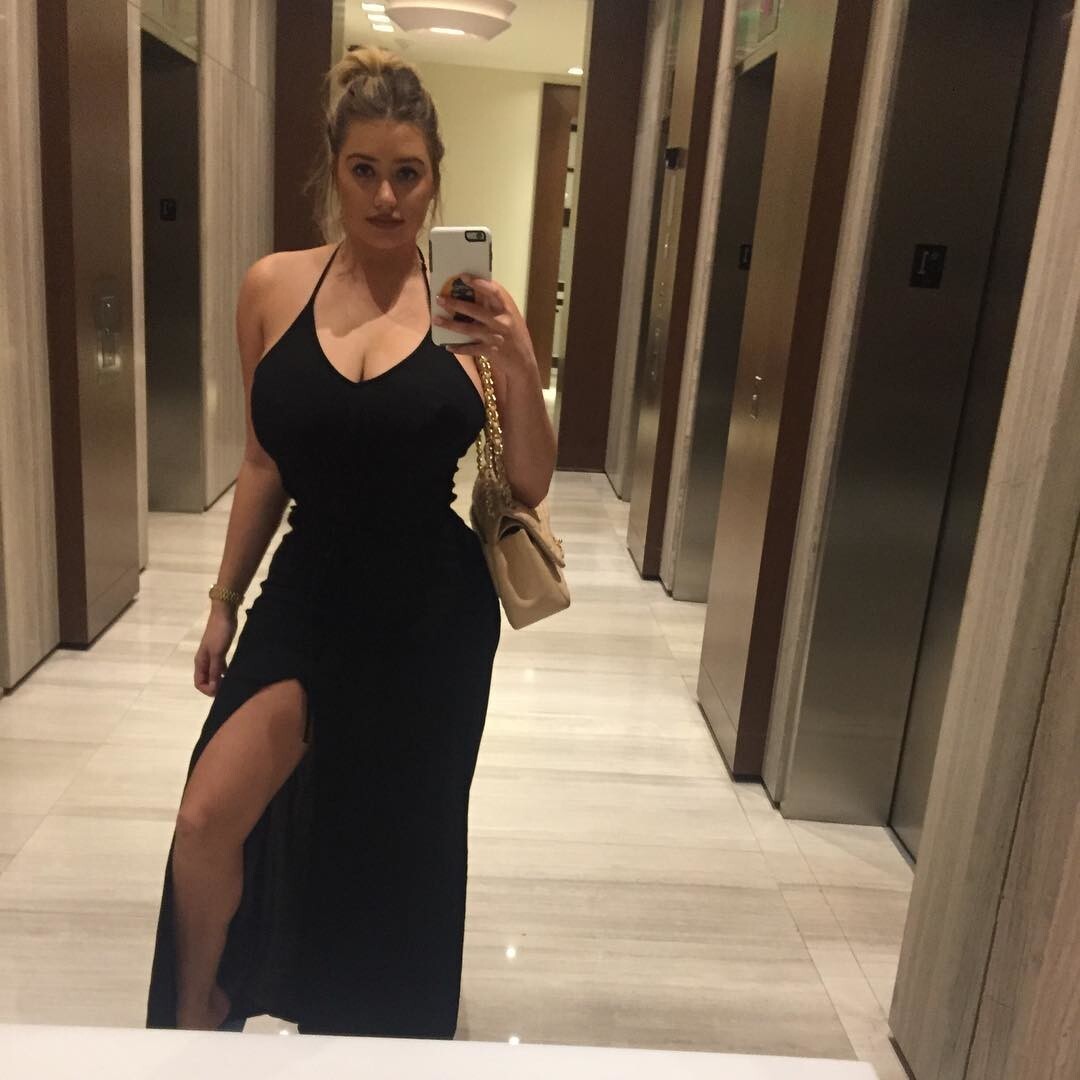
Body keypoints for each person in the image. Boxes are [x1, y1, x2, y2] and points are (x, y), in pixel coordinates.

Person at [145, 45, 557, 1038]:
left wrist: (517, 357)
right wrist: (223, 602)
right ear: (332, 171)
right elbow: (262, 460)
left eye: (407, 173)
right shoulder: (273, 289)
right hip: (308, 589)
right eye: (364, 170)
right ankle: (198, 1017)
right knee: (206, 818)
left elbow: (531, 480)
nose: (385, 196)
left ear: (435, 179)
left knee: (396, 846)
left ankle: (380, 1039)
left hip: (430, 612)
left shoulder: (465, 305)